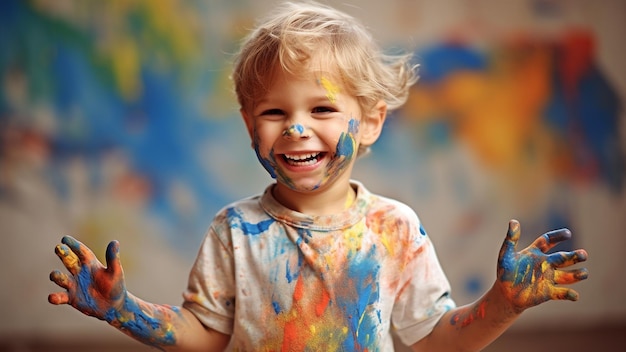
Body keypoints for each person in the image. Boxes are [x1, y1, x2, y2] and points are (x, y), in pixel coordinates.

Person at [48, 1, 589, 351]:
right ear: (248, 124)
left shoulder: (394, 229)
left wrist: (503, 303)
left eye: (323, 111)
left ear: (372, 121)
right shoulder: (233, 230)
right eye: (274, 112)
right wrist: (125, 311)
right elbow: (205, 336)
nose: (297, 129)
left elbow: (434, 340)